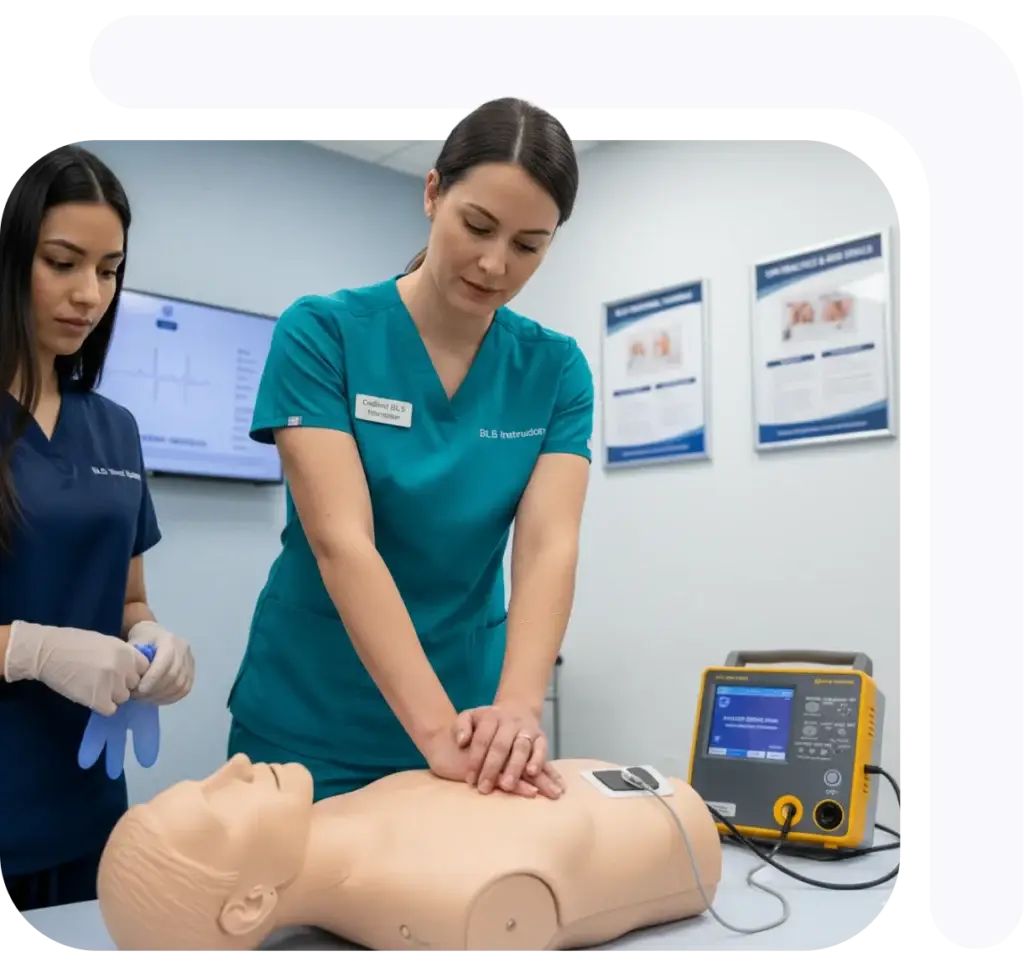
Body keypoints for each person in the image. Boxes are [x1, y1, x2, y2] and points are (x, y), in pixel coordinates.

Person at [227, 97, 592, 803]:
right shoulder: (322, 333)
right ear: (433, 194)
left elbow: (550, 546)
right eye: (477, 226)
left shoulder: (555, 371)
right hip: (312, 718)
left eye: (528, 245)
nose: (494, 264)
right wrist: (435, 736)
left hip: (469, 720)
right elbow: (342, 541)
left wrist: (518, 708)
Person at [0, 145, 196, 911]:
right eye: (62, 262)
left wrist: (154, 641)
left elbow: (127, 601)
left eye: (109, 269)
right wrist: (30, 648)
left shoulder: (115, 429)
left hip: (89, 811)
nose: (90, 294)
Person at [96, 752, 723, 952]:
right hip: (676, 835)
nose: (231, 767)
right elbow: (550, 873)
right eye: (215, 808)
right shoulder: (443, 902)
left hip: (643, 791)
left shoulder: (335, 817)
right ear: (248, 905)